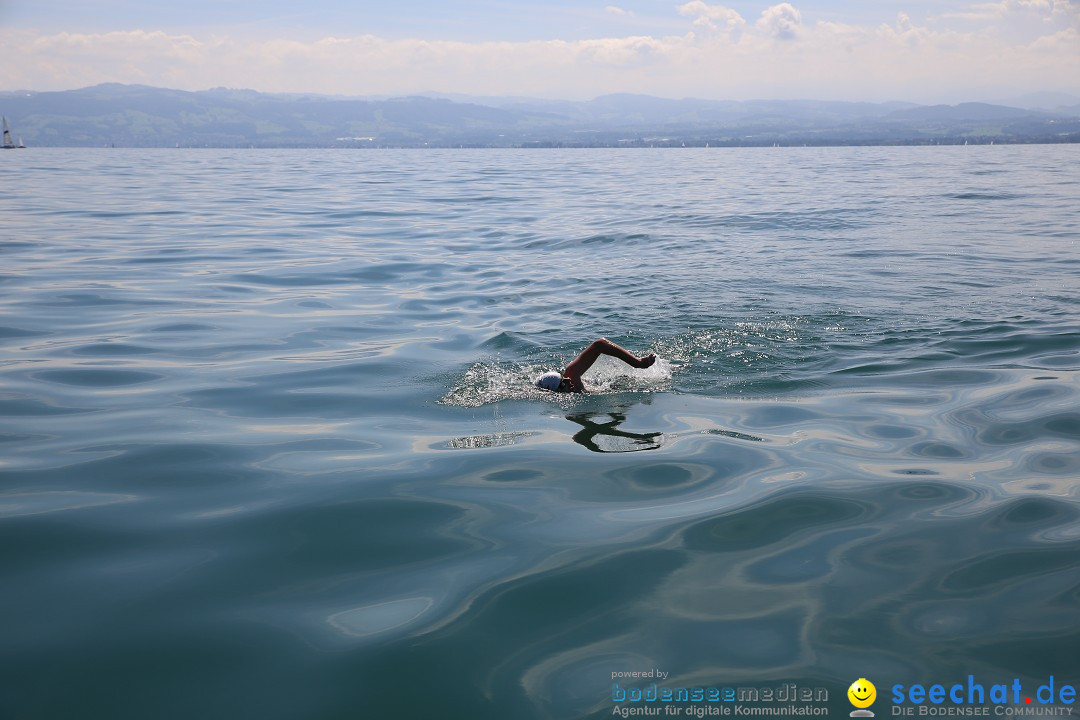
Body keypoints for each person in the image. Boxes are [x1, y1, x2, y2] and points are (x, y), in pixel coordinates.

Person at [535, 338, 656, 393]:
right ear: (556, 392)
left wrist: (637, 363)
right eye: (562, 382)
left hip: (609, 382)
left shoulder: (571, 374)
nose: (567, 380)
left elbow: (600, 344)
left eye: (562, 377)